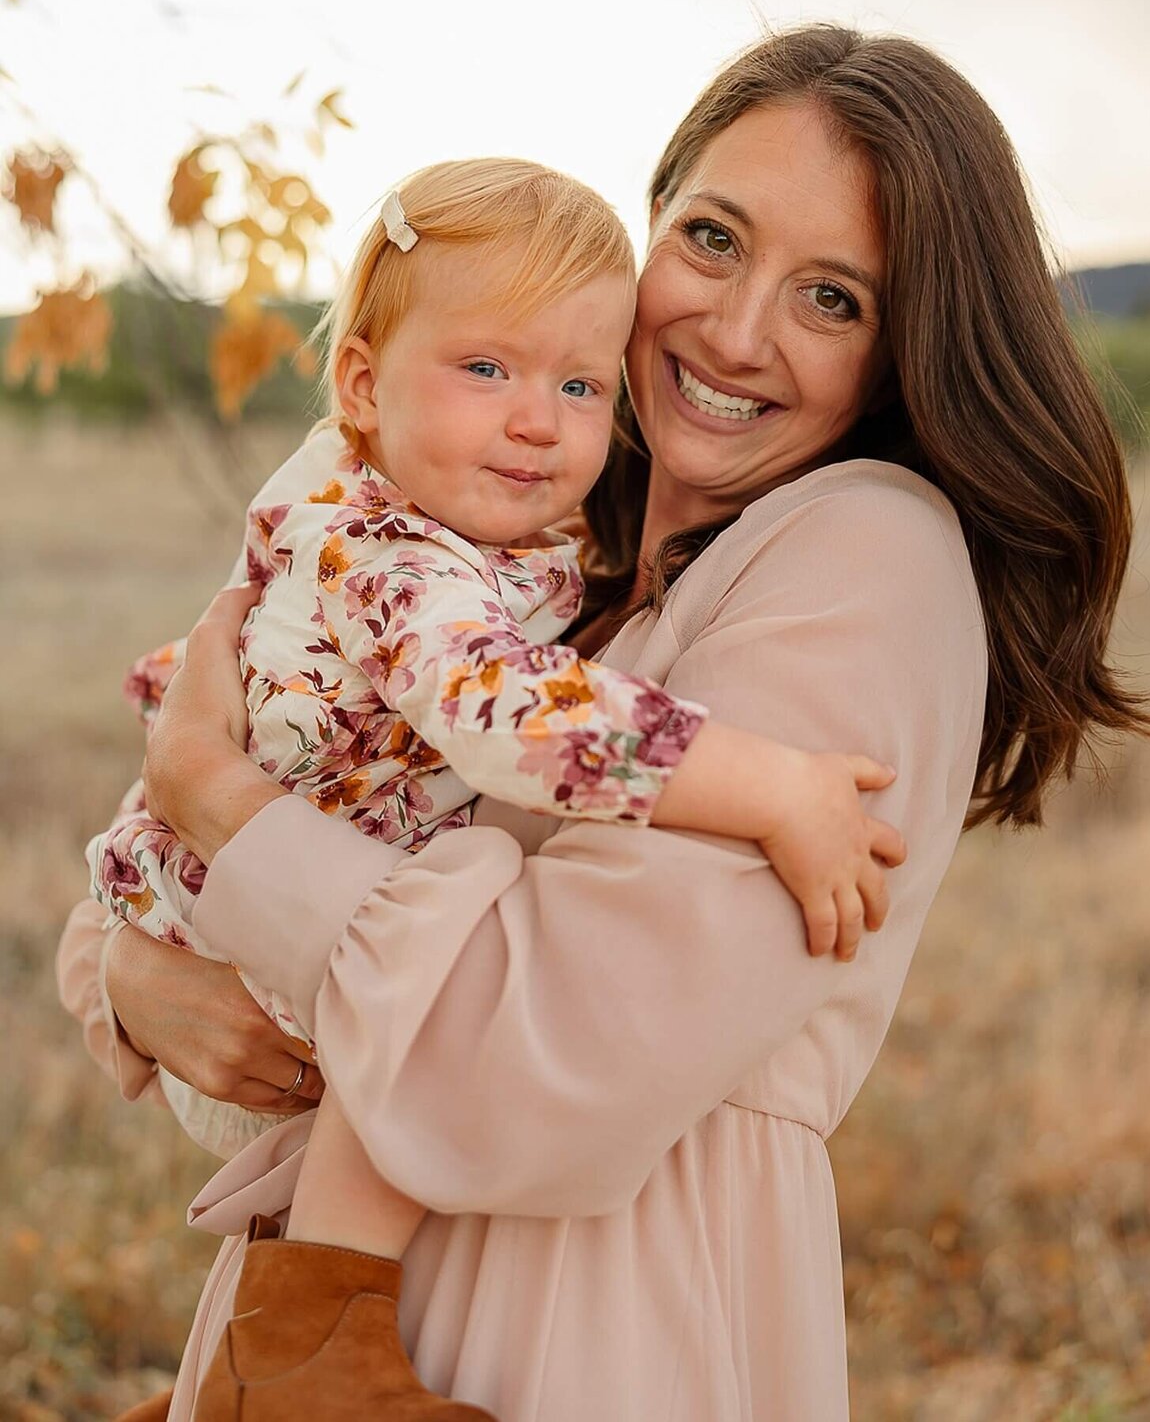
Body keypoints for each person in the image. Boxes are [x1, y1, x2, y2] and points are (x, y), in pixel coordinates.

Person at [58, 26, 1150, 1422]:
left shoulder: (865, 550)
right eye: (710, 239)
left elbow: (525, 1057)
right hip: (328, 1328)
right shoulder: (514, 524)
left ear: (901, 352)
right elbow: (187, 789)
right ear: (645, 230)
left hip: (596, 1316)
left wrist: (223, 812)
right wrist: (132, 980)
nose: (737, 330)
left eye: (831, 298)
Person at [83, 156, 900, 1422]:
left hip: (233, 929)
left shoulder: (427, 525)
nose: (540, 420)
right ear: (360, 383)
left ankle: (254, 1368)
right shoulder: (398, 558)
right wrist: (768, 785)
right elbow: (508, 717)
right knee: (463, 891)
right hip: (243, 970)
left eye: (578, 383)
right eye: (488, 371)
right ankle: (303, 1356)